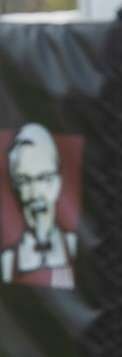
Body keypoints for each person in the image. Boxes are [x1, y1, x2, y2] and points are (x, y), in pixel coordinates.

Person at [1, 123, 77, 289]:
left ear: (58, 183)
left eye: (44, 178)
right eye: (25, 181)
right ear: (14, 187)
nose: (36, 194)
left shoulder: (77, 251)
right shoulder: (7, 261)